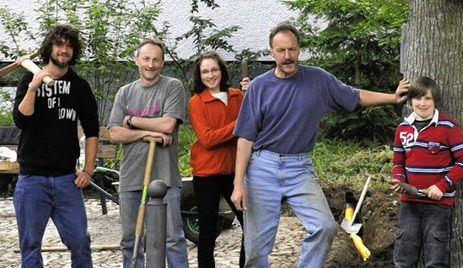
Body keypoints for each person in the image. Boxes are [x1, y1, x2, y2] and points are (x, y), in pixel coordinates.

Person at [230, 23, 408, 267]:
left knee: (325, 227)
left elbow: (354, 96)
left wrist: (392, 98)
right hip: (262, 166)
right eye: (281, 50)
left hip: (299, 167)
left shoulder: (318, 79)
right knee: (256, 247)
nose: (287, 56)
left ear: (299, 49)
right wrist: (238, 182)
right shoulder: (259, 87)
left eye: (292, 49)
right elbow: (245, 138)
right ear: (272, 52)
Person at [12, 23, 99, 268]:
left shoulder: (80, 87)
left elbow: (92, 131)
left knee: (80, 241)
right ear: (49, 47)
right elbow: (21, 120)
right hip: (32, 179)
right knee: (30, 245)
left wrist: (88, 170)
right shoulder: (30, 78)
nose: (64, 50)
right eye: (59, 44)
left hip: (66, 179)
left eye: (69, 46)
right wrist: (33, 86)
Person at [107, 37, 188, 268]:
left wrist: (131, 121)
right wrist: (145, 133)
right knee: (130, 239)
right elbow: (114, 134)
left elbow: (168, 125)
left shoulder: (172, 87)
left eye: (156, 60)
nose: (150, 64)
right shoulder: (124, 93)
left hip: (165, 176)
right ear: (136, 60)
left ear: (162, 63)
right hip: (132, 176)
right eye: (146, 59)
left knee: (173, 238)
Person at [388, 76, 463, 267]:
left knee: (436, 258)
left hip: (438, 204)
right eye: (418, 98)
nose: (422, 103)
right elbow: (398, 162)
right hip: (409, 203)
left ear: (435, 101)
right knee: (403, 257)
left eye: (428, 98)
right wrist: (399, 180)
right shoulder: (402, 129)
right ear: (410, 100)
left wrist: (442, 186)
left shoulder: (448, 126)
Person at [188, 50, 246, 267]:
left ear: (221, 71)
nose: (210, 75)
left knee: (249, 224)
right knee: (207, 231)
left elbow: (253, 126)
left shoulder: (237, 97)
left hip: (235, 173)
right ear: (199, 75)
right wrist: (239, 124)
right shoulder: (197, 102)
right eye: (205, 72)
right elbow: (207, 139)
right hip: (207, 174)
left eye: (214, 70)